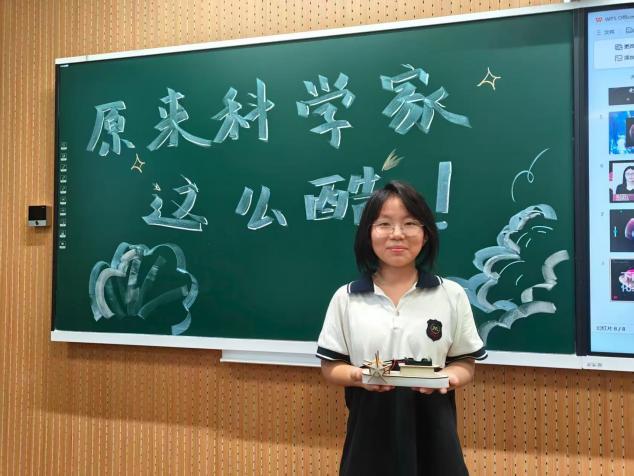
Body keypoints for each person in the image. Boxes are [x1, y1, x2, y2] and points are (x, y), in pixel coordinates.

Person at [316, 181, 486, 476]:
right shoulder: (347, 298)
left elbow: (465, 363)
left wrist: (449, 378)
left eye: (409, 223)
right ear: (368, 233)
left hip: (436, 440)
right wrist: (360, 376)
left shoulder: (451, 295)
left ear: (426, 234)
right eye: (384, 224)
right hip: (368, 441)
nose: (397, 234)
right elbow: (331, 368)